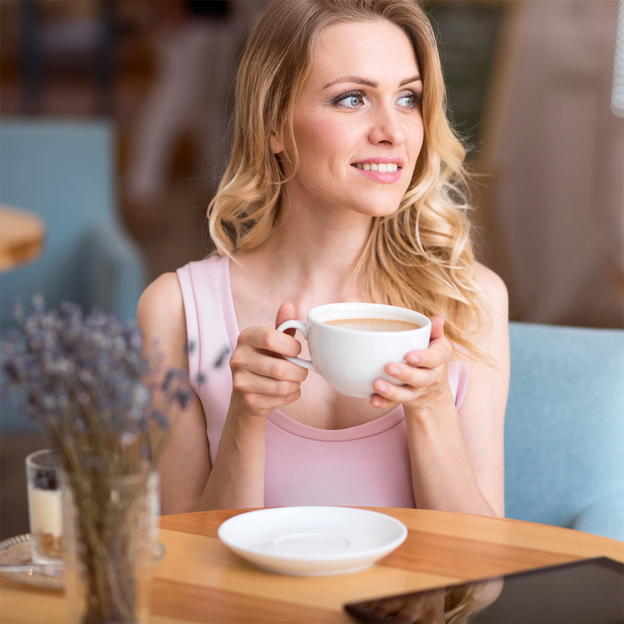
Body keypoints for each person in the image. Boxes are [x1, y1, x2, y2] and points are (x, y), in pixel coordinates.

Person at [138, 0, 510, 517]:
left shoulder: (472, 301)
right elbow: (183, 573)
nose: (393, 131)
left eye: (408, 98)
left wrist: (430, 408)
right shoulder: (176, 310)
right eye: (353, 98)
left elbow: (482, 581)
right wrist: (248, 416)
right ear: (273, 124)